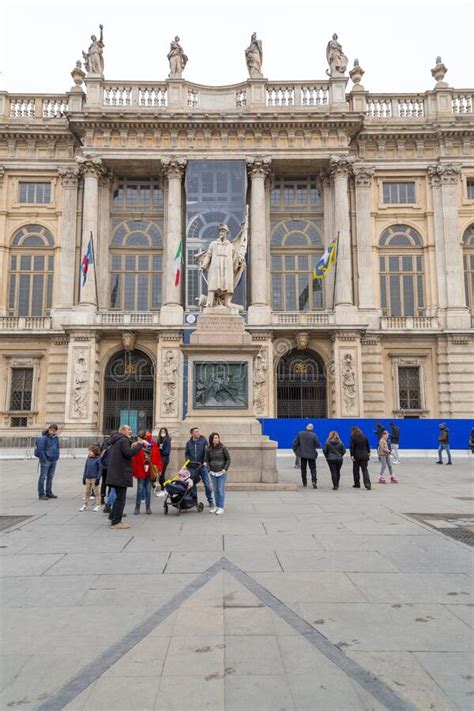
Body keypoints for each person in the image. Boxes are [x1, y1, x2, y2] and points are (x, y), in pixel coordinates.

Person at [106, 425, 145, 529]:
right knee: (121, 499)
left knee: (119, 497)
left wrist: (134, 444)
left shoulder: (117, 440)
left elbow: (125, 450)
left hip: (115, 473)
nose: (131, 431)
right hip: (120, 474)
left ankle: (112, 518)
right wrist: (140, 445)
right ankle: (116, 522)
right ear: (123, 430)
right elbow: (128, 453)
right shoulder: (123, 440)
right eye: (129, 429)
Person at [184, 427, 214, 507]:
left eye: (198, 431)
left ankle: (210, 500)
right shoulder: (188, 443)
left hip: (202, 466)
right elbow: (186, 454)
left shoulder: (203, 441)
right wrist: (188, 461)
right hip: (192, 467)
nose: (198, 433)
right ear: (192, 434)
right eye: (196, 432)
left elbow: (206, 452)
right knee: (192, 484)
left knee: (207, 484)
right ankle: (194, 500)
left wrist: (205, 462)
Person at [206, 432, 230, 515]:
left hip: (221, 472)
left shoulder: (223, 447)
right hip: (213, 472)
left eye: (217, 437)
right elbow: (207, 460)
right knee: (215, 490)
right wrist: (209, 470)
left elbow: (228, 459)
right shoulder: (208, 449)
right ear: (211, 440)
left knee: (220, 490)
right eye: (215, 438)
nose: (216, 439)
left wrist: (225, 469)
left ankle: (221, 507)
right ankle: (216, 506)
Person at [35, 424, 60, 500]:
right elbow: (40, 449)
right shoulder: (43, 438)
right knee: (43, 477)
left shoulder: (56, 438)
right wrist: (44, 459)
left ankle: (49, 493)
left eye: (54, 430)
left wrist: (57, 456)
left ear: (56, 431)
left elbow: (57, 447)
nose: (52, 432)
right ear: (48, 430)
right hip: (46, 460)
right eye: (51, 430)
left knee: (50, 477)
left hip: (54, 459)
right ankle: (41, 494)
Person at [292, 423, 320, 489]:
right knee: (313, 468)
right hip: (312, 454)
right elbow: (318, 445)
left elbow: (295, 443)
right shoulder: (314, 435)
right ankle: (314, 481)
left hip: (303, 454)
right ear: (312, 428)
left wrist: (296, 451)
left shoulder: (300, 434)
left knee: (303, 469)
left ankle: (304, 482)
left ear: (306, 427)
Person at [132, 431, 153, 515]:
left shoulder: (150, 445)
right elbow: (134, 460)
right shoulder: (136, 446)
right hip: (140, 471)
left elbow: (153, 455)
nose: (139, 439)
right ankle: (137, 507)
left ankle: (148, 507)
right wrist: (135, 472)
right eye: (139, 438)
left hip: (148, 470)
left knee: (148, 489)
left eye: (141, 438)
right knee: (140, 490)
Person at [80, 445, 103, 511]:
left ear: (95, 452)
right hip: (88, 478)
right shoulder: (88, 459)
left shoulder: (98, 459)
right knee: (87, 492)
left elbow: (100, 470)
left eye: (91, 451)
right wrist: (84, 477)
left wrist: (98, 478)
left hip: (94, 478)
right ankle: (85, 505)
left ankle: (98, 505)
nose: (89, 453)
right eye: (89, 451)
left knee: (96, 492)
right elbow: (85, 468)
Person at [155, 427, 171, 497]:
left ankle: (164, 489)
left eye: (164, 431)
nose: (162, 432)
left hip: (164, 458)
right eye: (161, 431)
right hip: (160, 458)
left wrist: (160, 450)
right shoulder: (159, 440)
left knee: (161, 474)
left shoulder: (167, 440)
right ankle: (163, 489)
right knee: (160, 474)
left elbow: (167, 451)